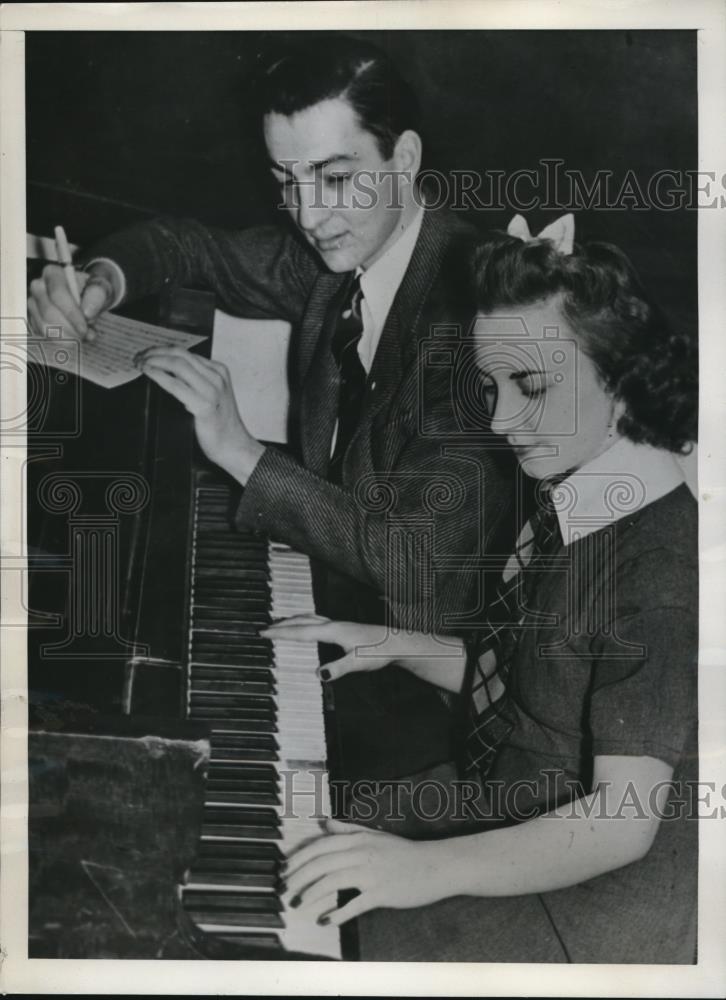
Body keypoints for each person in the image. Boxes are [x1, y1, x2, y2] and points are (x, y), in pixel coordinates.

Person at [26, 35, 514, 781]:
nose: (308, 214)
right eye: (287, 180)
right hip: (332, 600)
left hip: (434, 698)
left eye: (334, 176)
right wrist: (98, 283)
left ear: (405, 158)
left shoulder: (478, 320)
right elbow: (187, 246)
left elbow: (415, 565)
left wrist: (243, 453)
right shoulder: (341, 256)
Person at [264, 215, 699, 963]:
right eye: (492, 385)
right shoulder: (573, 488)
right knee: (284, 828)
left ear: (622, 384)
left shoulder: (660, 571)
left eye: (529, 385)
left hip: (585, 901)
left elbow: (623, 823)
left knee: (313, 927)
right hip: (500, 806)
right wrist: (395, 644)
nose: (500, 419)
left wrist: (425, 868)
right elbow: (536, 686)